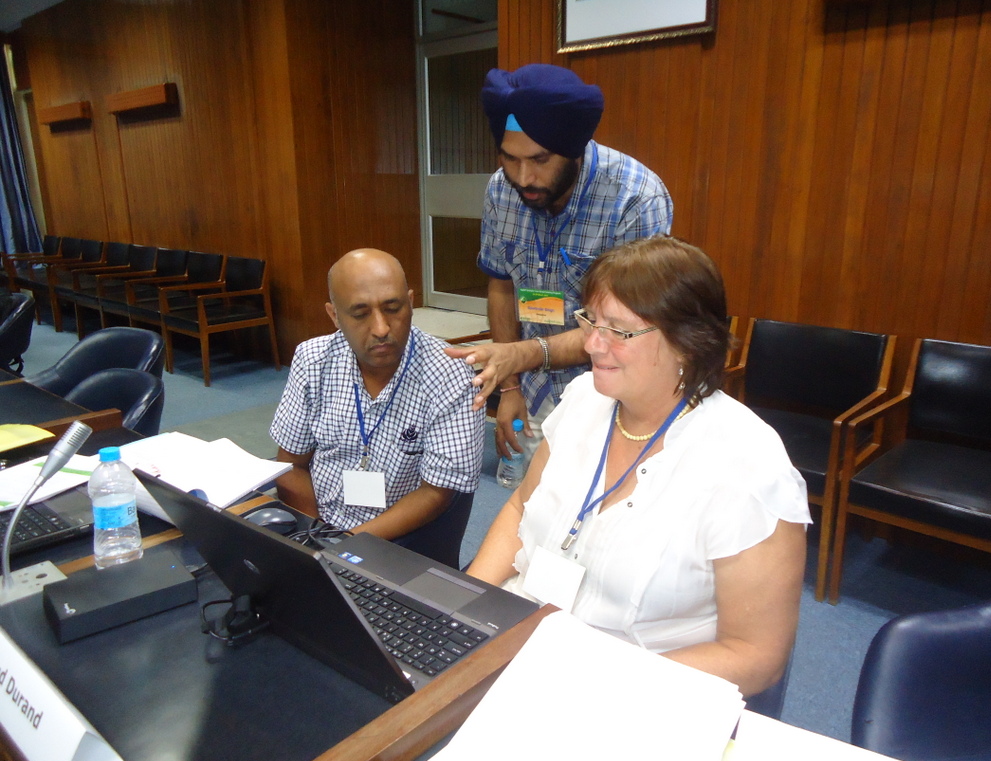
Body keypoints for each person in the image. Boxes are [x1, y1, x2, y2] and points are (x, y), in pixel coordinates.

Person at [466, 236, 810, 697]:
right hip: (518, 641)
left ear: (687, 342)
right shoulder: (583, 400)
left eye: (619, 331)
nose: (591, 344)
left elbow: (756, 656)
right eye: (591, 321)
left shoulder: (749, 469)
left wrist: (597, 684)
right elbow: (519, 508)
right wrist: (465, 606)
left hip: (634, 688)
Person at [446, 63, 673, 463]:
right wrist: (510, 386)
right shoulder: (501, 191)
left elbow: (623, 329)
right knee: (533, 493)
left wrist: (519, 355)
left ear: (574, 149)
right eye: (510, 158)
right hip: (532, 388)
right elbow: (502, 285)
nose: (523, 177)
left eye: (540, 159)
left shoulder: (635, 198)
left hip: (612, 394)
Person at [270, 248, 484, 540]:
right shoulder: (313, 359)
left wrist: (344, 546)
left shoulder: (450, 374)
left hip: (397, 539)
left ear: (411, 303)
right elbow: (291, 465)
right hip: (319, 524)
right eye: (360, 314)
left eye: (393, 309)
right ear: (334, 315)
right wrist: (316, 538)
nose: (381, 329)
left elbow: (436, 493)